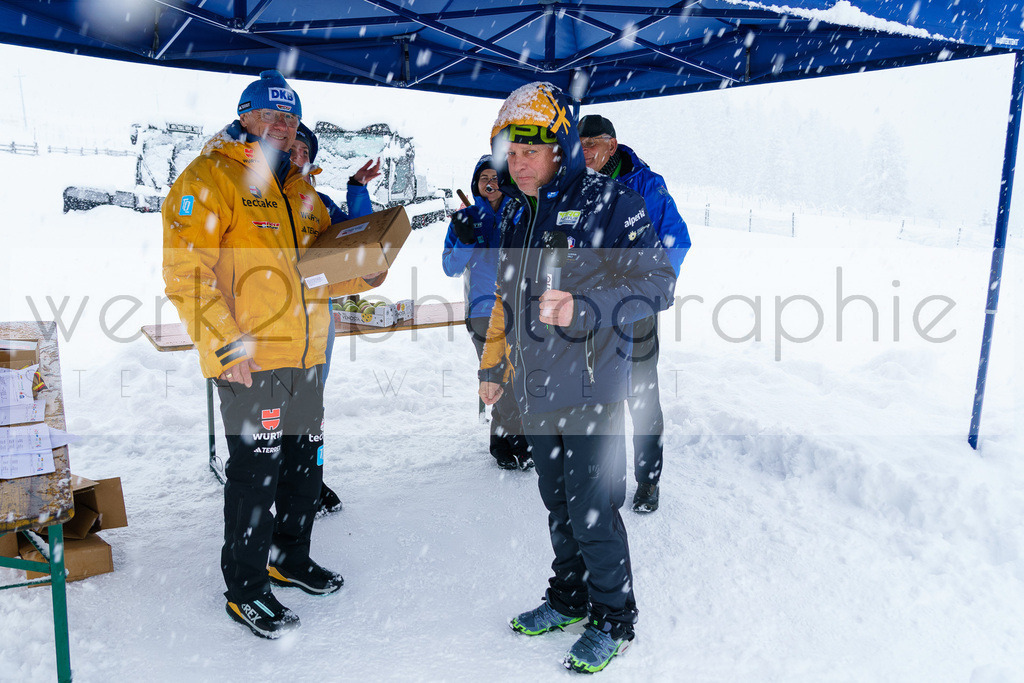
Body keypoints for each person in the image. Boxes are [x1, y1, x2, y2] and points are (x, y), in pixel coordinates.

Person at [163, 70, 387, 639]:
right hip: (251, 363)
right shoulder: (211, 178)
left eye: (290, 118)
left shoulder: (302, 192)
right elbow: (187, 274)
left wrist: (362, 275)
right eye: (271, 116)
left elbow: (318, 273)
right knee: (255, 475)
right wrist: (225, 343)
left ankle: (289, 557)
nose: (283, 128)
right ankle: (245, 586)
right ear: (245, 116)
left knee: (303, 469)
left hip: (306, 359)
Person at [478, 82, 676, 673]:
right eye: (509, 153)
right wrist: (492, 366)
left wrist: (584, 305)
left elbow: (659, 285)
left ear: (559, 146)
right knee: (556, 498)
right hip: (535, 384)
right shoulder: (516, 209)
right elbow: (504, 300)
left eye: (529, 151)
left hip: (593, 382)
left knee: (592, 503)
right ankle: (568, 596)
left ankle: (615, 618)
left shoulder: (613, 202)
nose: (517, 163)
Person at [578, 114, 691, 514]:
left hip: (635, 307)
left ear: (612, 145)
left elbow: (677, 239)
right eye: (579, 143)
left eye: (592, 143)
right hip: (593, 309)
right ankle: (607, 479)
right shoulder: (577, 185)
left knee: (641, 394)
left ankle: (648, 480)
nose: (584, 151)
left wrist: (650, 290)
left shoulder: (645, 184)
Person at [290, 122, 382, 515]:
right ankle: (275, 482)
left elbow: (357, 238)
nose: (295, 157)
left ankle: (308, 477)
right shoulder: (252, 198)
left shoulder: (318, 202)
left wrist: (357, 190)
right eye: (288, 148)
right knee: (271, 409)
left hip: (316, 322)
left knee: (310, 405)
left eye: (302, 152)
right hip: (268, 321)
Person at [442, 155, 531, 470]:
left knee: (519, 374)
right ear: (476, 184)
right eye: (484, 178)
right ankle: (507, 442)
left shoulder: (521, 213)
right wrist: (465, 240)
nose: (490, 183)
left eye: (496, 177)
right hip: (483, 310)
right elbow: (450, 267)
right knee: (499, 375)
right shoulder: (464, 219)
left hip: (518, 306)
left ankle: (512, 439)